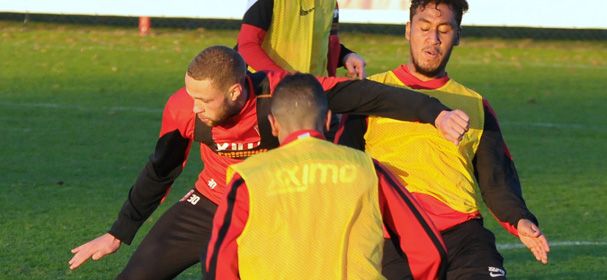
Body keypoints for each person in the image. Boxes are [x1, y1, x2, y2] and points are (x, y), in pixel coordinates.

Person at [68, 45, 469, 279]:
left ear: (237, 92)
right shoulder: (183, 109)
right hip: (211, 202)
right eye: (191, 96)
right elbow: (161, 169)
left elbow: (365, 95)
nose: (193, 107)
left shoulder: (279, 91)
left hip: (275, 207)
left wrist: (434, 112)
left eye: (203, 100)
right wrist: (118, 232)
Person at [337, 1, 550, 279]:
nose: (433, 39)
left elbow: (497, 181)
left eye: (444, 30)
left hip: (465, 239)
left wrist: (520, 219)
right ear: (408, 30)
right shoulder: (372, 92)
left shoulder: (475, 104)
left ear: (458, 36)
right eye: (424, 28)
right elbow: (342, 164)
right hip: (395, 237)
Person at [204, 73, 447, 280]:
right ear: (329, 119)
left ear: (273, 124)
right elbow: (429, 251)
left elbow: (219, 263)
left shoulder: (248, 177)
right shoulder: (368, 169)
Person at [238, 0, 366, 79]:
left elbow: (327, 44)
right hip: (270, 91)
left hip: (317, 93)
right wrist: (284, 80)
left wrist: (346, 56)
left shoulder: (331, 3)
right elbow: (247, 46)